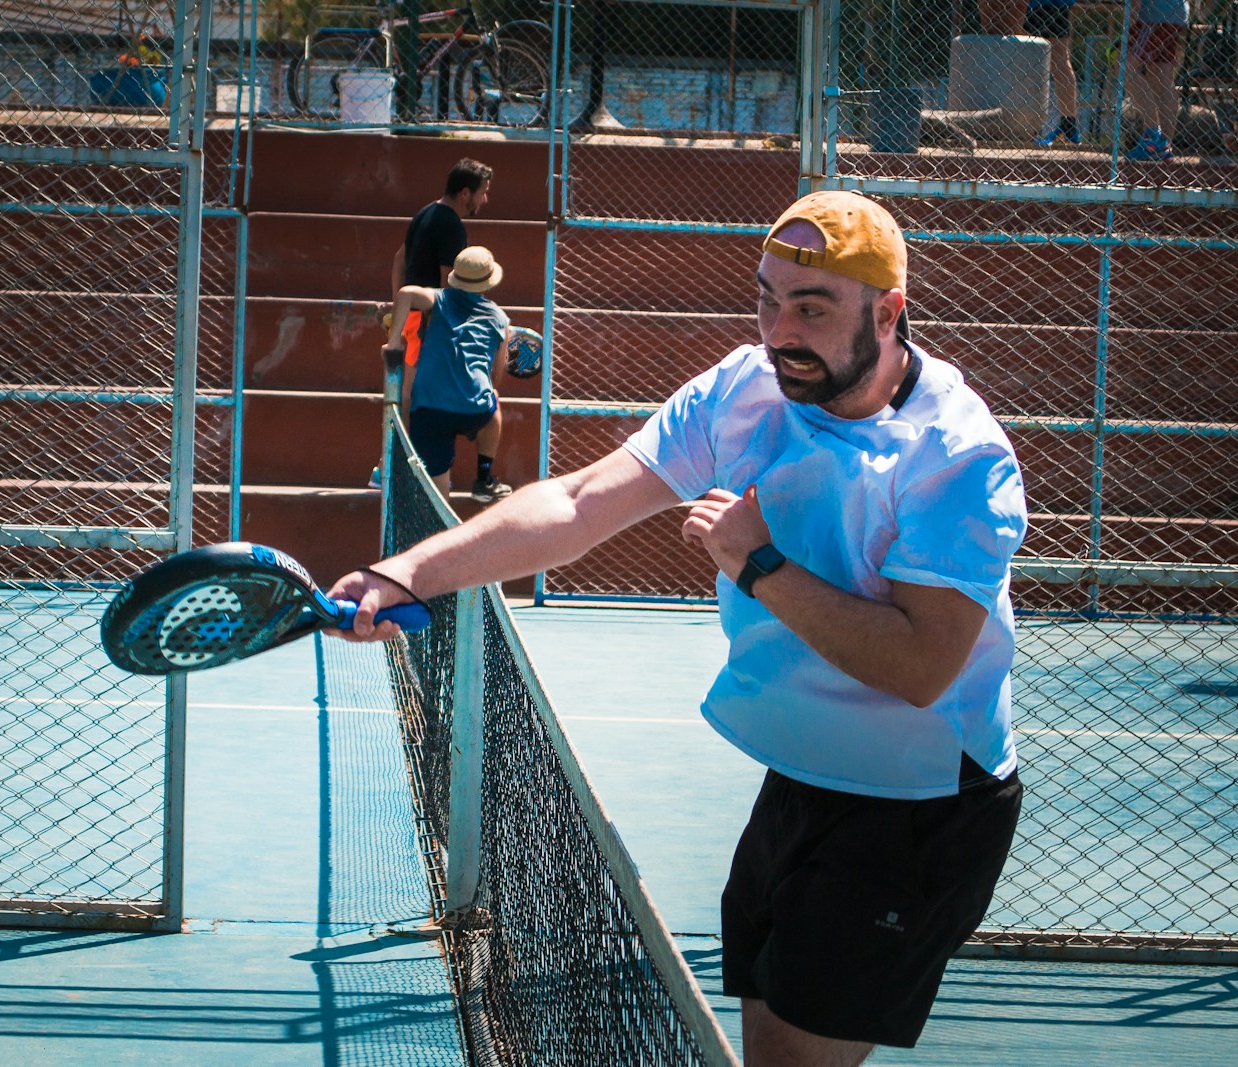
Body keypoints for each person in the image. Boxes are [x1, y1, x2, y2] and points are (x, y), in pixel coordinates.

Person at [333, 191, 1028, 1065]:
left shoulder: (957, 458)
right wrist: (411, 572)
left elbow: (923, 664)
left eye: (811, 308)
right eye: (768, 298)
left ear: (889, 313)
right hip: (806, 774)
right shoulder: (748, 387)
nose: (780, 329)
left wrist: (760, 567)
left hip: (920, 803)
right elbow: (582, 500)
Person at [370, 157, 494, 489]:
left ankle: (388, 465)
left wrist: (399, 306)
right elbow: (447, 286)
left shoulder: (425, 213)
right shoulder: (451, 224)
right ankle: (389, 467)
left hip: (411, 316)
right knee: (410, 394)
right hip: (426, 321)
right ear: (465, 192)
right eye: (482, 193)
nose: (484, 200)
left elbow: (400, 258)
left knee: (407, 391)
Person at [385, 245, 513, 503]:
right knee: (494, 400)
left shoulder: (439, 299)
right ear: (487, 283)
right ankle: (484, 478)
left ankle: (440, 530)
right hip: (474, 410)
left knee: (437, 489)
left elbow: (406, 293)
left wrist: (394, 342)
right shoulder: (501, 320)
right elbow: (495, 377)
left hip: (429, 410)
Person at [1125, 0, 1190, 160]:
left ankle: (1152, 135)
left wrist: (1131, 19)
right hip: (1176, 12)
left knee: (1124, 69)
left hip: (1153, 15)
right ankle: (1164, 145)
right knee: (1161, 76)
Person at [1029, 0, 1082, 145]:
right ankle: (1068, 126)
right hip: (1049, 5)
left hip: (1044, 5)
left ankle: (1068, 126)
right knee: (1057, 61)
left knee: (1057, 60)